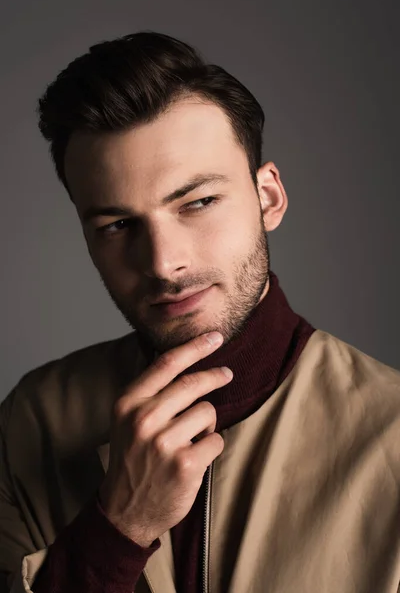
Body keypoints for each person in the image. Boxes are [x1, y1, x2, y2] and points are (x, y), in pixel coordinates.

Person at [0, 31, 399, 593]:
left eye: (198, 202)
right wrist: (119, 529)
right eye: (117, 226)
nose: (164, 264)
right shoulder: (30, 423)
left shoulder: (393, 436)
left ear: (268, 198)